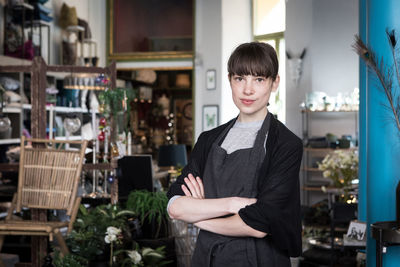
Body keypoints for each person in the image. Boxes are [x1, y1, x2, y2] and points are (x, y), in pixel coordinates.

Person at [167, 42, 303, 267]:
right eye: (240, 78)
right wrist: (233, 204)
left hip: (260, 260)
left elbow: (258, 226)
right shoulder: (208, 140)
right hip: (206, 259)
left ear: (274, 82)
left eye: (259, 80)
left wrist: (199, 217)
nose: (247, 90)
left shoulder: (286, 145)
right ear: (230, 79)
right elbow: (175, 207)